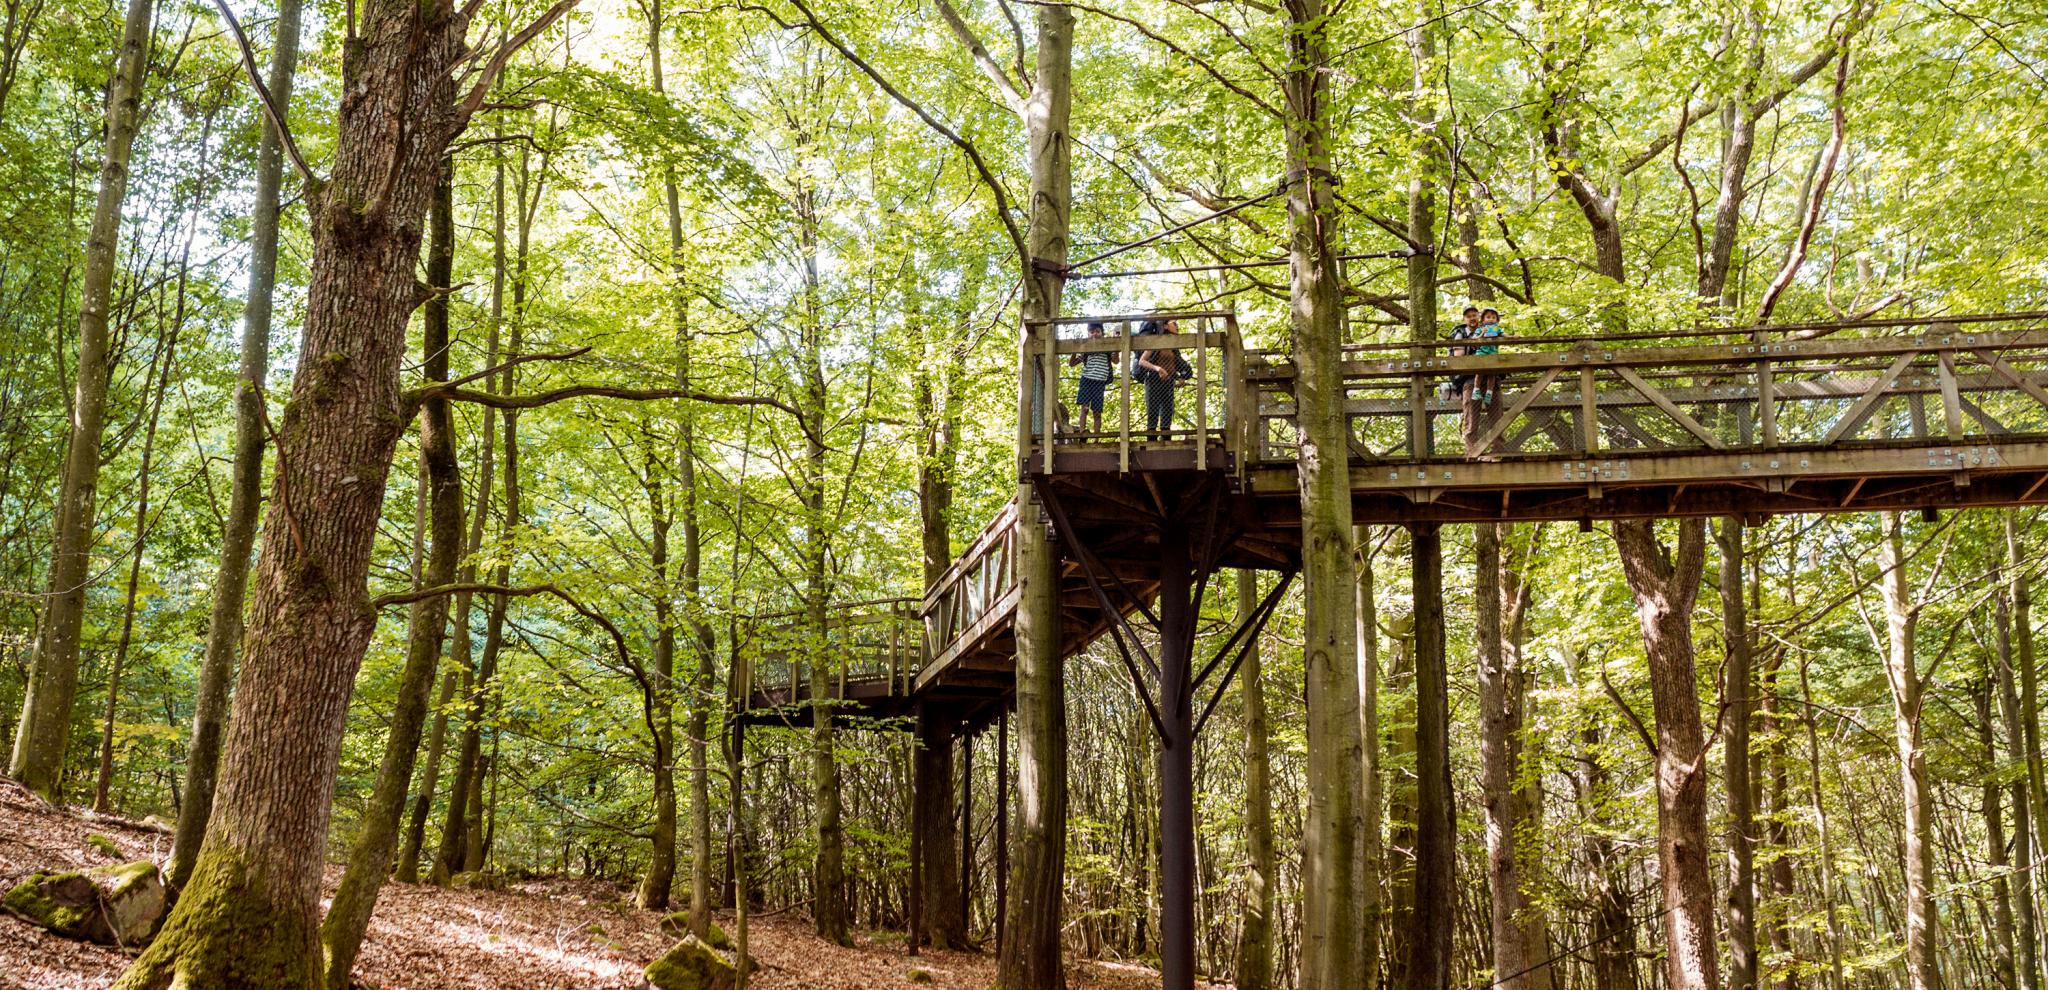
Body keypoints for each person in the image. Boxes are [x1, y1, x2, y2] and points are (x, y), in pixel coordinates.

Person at [1135, 319, 1190, 439]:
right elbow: (1142, 361)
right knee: (1153, 410)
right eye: (1173, 324)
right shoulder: (1156, 341)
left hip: (1168, 381)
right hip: (1153, 378)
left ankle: (1166, 439)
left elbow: (1173, 365)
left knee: (1167, 411)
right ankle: (1151, 441)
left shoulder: (1173, 346)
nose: (1176, 326)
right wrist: (1157, 368)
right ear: (1165, 326)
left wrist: (1180, 377)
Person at [1069, 321, 1113, 434]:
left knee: (1097, 412)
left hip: (1100, 382)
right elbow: (1072, 363)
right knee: (1084, 408)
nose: (1094, 334)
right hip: (1086, 380)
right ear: (1088, 334)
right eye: (1091, 332)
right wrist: (1075, 349)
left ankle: (1097, 437)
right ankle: (1082, 432)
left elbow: (1116, 360)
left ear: (1102, 333)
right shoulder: (1086, 350)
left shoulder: (1107, 348)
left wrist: (1116, 350)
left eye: (1097, 332)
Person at [1441, 306, 1481, 400]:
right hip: (1466, 374)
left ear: (1478, 316)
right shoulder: (1460, 333)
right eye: (1468, 316)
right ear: (1464, 319)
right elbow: (1459, 356)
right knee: (1471, 399)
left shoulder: (1485, 331)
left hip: (1486, 372)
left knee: (1494, 385)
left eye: (1474, 315)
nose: (1472, 318)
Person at [1473, 308, 1505, 405]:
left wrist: (1513, 337)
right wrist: (1483, 333)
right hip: (1482, 353)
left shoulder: (1497, 329)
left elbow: (1504, 335)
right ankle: (1476, 389)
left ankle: (1489, 393)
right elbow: (1474, 338)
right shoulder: (1480, 329)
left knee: (1492, 373)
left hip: (1492, 353)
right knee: (1479, 372)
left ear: (1497, 320)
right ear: (1483, 320)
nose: (1491, 319)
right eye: (1488, 317)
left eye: (1493, 317)